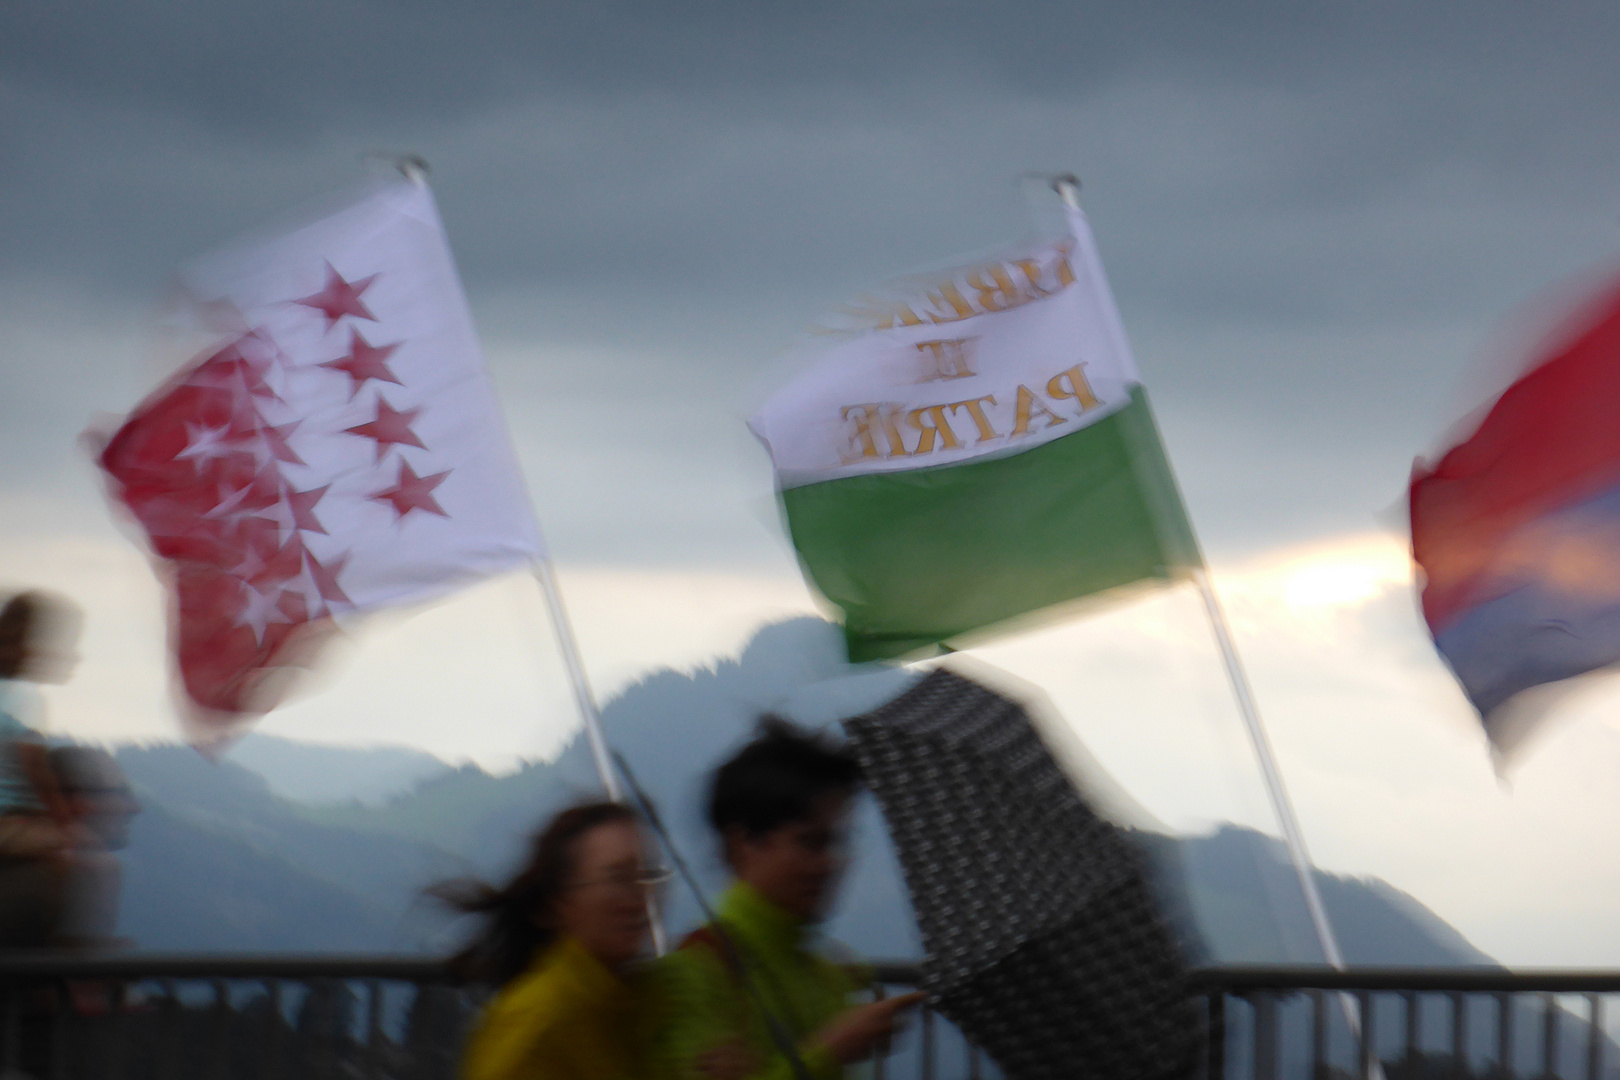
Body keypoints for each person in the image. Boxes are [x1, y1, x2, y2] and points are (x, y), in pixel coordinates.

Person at [655, 718, 923, 1080]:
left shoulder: (828, 974)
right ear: (743, 845)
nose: (831, 863)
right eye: (811, 842)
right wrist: (831, 1050)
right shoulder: (694, 976)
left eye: (838, 842)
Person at [442, 801, 669, 1080]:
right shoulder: (535, 1025)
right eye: (618, 879)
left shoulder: (643, 1004)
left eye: (647, 876)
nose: (639, 899)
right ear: (560, 901)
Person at [0, 591, 87, 948]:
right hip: (8, 821)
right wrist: (65, 821)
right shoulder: (25, 697)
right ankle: (69, 962)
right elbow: (35, 767)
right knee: (85, 862)